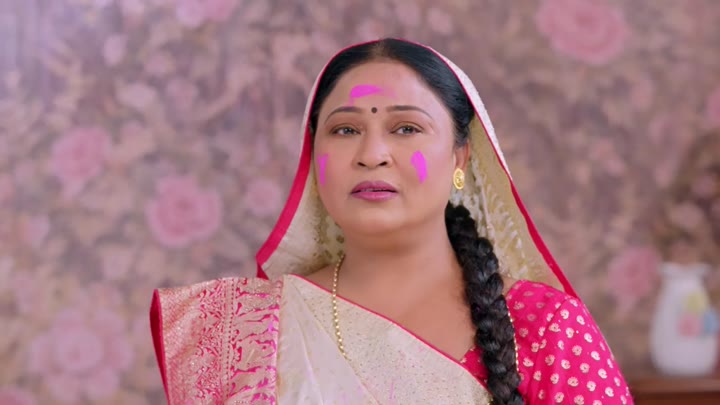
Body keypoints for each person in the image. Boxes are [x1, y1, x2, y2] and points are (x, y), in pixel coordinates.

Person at [150, 38, 632, 404]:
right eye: (345, 129)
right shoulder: (244, 332)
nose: (372, 154)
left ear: (460, 157)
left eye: (406, 128)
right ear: (314, 157)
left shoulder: (544, 326)